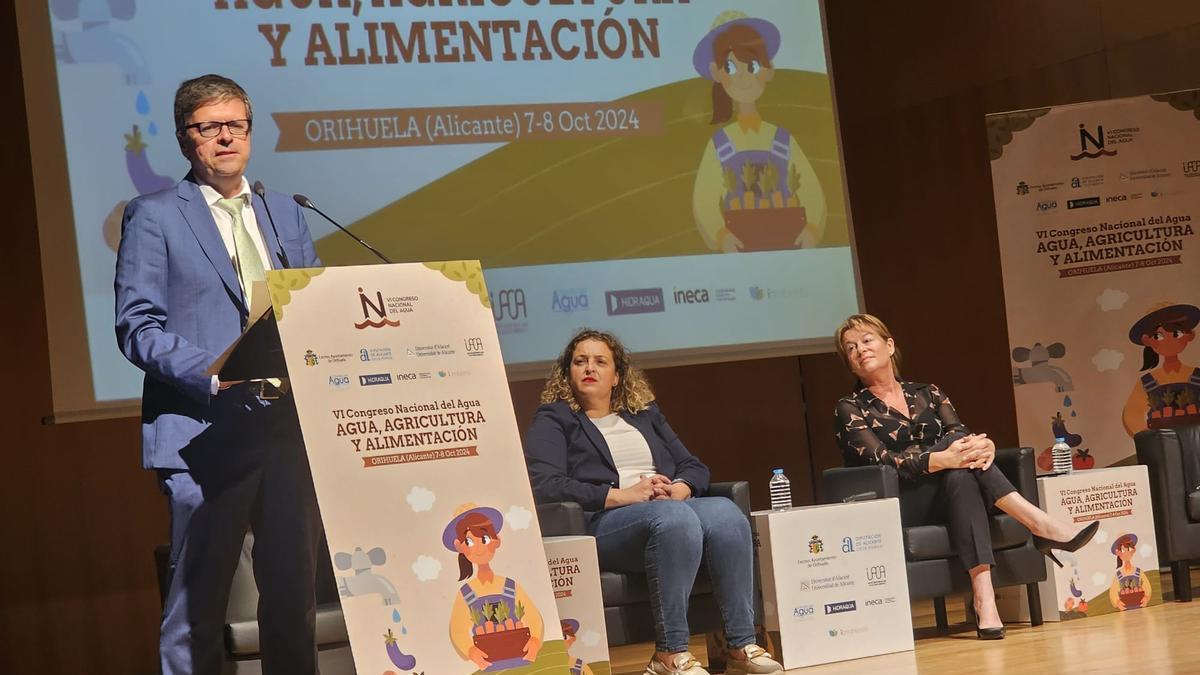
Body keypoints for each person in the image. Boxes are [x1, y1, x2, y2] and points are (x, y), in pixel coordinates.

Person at [115, 74, 322, 673]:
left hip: (285, 435)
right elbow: (137, 325)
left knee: (293, 600)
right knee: (197, 610)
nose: (225, 137)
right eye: (210, 127)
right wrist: (209, 373)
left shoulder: (285, 211)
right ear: (187, 139)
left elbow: (309, 307)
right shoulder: (154, 215)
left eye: (236, 124)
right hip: (202, 434)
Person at [523, 329, 781, 675]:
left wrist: (680, 488)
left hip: (666, 507)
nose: (589, 368)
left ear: (616, 376)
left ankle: (740, 646)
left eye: (601, 361)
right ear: (567, 372)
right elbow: (545, 484)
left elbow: (693, 465)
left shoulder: (643, 414)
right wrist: (622, 495)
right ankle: (669, 655)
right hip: (606, 520)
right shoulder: (555, 419)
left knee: (726, 514)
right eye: (580, 361)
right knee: (675, 521)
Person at [833, 313, 1098, 640]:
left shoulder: (927, 392)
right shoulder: (850, 407)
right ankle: (1037, 523)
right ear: (849, 362)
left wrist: (983, 446)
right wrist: (942, 458)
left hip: (952, 491)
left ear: (889, 345)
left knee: (962, 474)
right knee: (956, 459)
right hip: (903, 501)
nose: (860, 349)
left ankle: (984, 597)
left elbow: (961, 433)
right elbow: (885, 462)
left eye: (867, 340)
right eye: (850, 347)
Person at [690, 11, 827, 253]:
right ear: (717, 73)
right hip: (740, 251)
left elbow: (810, 190)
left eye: (751, 65)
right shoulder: (720, 144)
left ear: (768, 69)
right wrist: (721, 235)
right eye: (730, 67)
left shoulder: (783, 139)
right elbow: (705, 198)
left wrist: (812, 228)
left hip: (791, 247)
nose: (742, 77)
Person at [444, 503, 544, 672]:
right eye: (469, 541)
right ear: (461, 547)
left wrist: (534, 641)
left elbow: (533, 616)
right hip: (488, 663)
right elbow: (457, 628)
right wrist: (471, 651)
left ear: (496, 540)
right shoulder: (466, 593)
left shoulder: (510, 586)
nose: (479, 548)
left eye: (484, 539)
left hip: (522, 658)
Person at [1120, 302, 1200, 436]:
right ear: (1148, 341)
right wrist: (1146, 436)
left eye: (1177, 333)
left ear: (1189, 335)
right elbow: (1131, 413)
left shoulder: (1197, 375)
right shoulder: (1146, 382)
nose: (1169, 341)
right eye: (1158, 336)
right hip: (1164, 446)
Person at [1108, 533, 1153, 611]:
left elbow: (1146, 585)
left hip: (1141, 607)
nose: (1126, 553)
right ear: (1118, 553)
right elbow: (1114, 591)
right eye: (1122, 550)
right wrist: (1117, 602)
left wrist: (1146, 597)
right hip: (1125, 608)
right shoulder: (1119, 575)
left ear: (1133, 550)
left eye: (1128, 549)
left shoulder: (1138, 571)